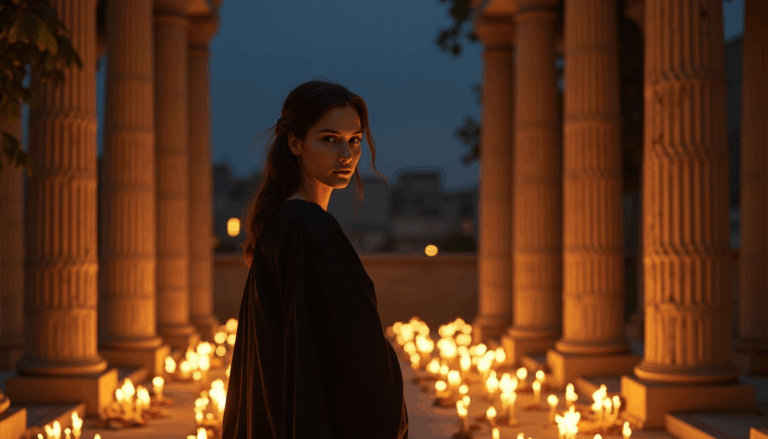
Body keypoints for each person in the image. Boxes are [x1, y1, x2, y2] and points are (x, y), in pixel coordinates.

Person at [221, 80, 409, 439]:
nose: (347, 154)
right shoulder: (311, 228)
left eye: (354, 139)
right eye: (329, 138)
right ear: (295, 142)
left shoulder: (281, 222)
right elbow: (359, 355)